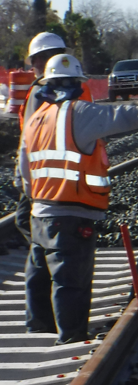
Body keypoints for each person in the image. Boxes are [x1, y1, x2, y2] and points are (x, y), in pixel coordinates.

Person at [17, 53, 138, 344]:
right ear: (78, 84)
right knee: (71, 282)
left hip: (40, 213)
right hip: (72, 214)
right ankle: (70, 339)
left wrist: (39, 201)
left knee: (39, 276)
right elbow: (119, 115)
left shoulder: (34, 120)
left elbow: (23, 171)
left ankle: (39, 333)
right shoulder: (78, 113)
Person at [13, 32, 71, 243]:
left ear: (38, 59)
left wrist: (22, 175)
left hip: (41, 171)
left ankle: (46, 256)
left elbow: (29, 138)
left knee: (25, 220)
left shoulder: (40, 92)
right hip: (66, 171)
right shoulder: (75, 89)